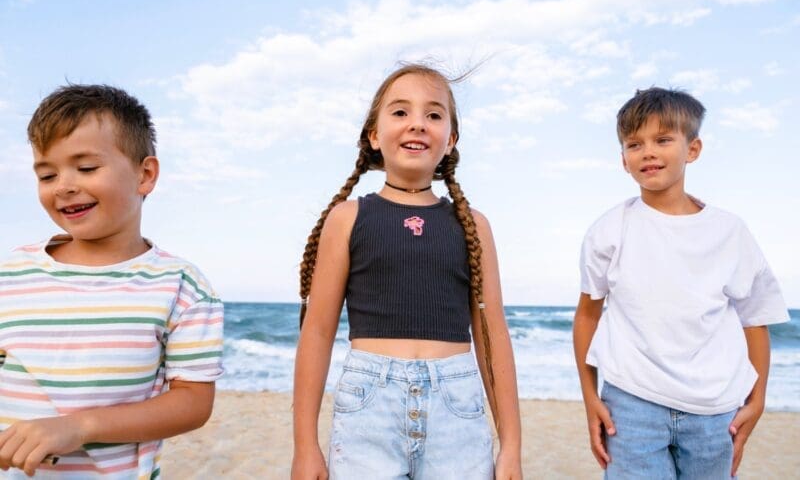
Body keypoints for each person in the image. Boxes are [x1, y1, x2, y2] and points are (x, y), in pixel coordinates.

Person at [291, 64, 522, 479]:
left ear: (450, 140)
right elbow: (318, 331)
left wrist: (512, 445)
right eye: (400, 112)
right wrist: (305, 444)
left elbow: (494, 334)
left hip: (459, 411)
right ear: (374, 136)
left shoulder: (473, 226)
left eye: (433, 115)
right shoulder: (347, 218)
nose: (417, 124)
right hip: (367, 409)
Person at [0, 85, 224, 478]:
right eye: (47, 174)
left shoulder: (181, 286)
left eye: (86, 168)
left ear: (145, 174)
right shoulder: (11, 274)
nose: (64, 185)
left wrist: (80, 426)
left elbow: (193, 402)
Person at [573, 87, 789, 478]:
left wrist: (757, 401)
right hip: (631, 405)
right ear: (623, 160)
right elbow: (587, 316)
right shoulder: (608, 232)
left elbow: (755, 320)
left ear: (693, 149)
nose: (648, 152)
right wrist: (590, 397)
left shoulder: (729, 232)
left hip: (714, 409)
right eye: (634, 144)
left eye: (663, 139)